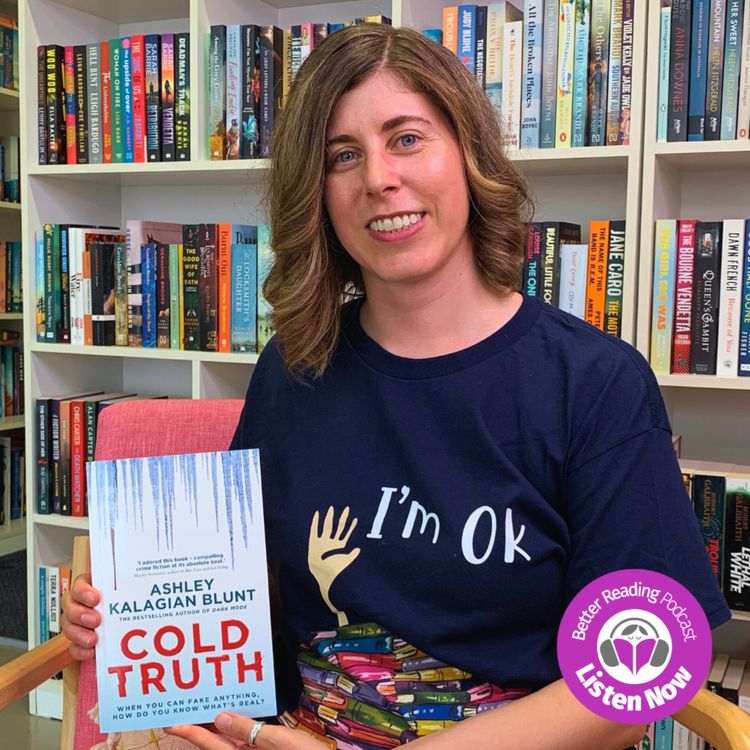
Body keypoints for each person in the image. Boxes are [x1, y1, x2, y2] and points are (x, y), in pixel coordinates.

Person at [62, 23, 730, 750]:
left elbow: (639, 680)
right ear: (318, 194)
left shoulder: (595, 383)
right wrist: (133, 615)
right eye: (343, 156)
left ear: (469, 155)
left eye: (406, 138)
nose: (378, 178)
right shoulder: (294, 366)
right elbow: (248, 590)